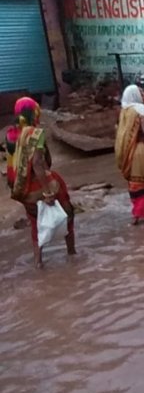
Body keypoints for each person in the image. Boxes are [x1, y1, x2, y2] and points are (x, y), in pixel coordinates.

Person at [8, 97, 76, 268]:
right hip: (37, 186)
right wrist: (48, 192)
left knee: (35, 223)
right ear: (33, 113)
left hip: (22, 190)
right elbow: (38, 163)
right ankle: (72, 253)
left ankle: (38, 262)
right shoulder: (35, 133)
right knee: (68, 212)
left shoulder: (11, 135)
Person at [116, 85, 144, 225]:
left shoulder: (125, 111)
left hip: (129, 152)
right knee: (143, 183)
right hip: (142, 149)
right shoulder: (141, 110)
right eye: (141, 92)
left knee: (134, 183)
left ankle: (137, 214)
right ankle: (143, 215)